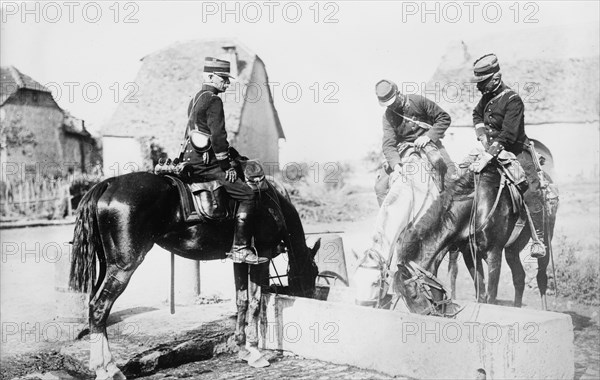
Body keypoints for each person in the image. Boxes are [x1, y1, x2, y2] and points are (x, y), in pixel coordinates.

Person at [180, 57, 267, 265]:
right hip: (207, 164)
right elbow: (218, 137)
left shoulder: (195, 99)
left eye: (227, 80)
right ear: (210, 76)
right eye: (223, 79)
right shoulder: (214, 99)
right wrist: (226, 166)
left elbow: (192, 132)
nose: (227, 84)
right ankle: (240, 248)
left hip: (191, 159)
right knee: (247, 194)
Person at [469, 53, 546, 258]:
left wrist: (489, 154)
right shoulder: (486, 98)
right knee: (463, 172)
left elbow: (509, 135)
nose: (478, 87)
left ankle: (538, 238)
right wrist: (482, 136)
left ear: (495, 79)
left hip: (515, 150)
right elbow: (476, 114)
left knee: (530, 188)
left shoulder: (513, 100)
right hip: (491, 148)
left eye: (482, 82)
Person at [374, 79, 455, 206]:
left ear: (398, 94)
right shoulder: (387, 116)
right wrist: (396, 165)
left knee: (451, 176)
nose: (391, 106)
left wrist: (428, 136)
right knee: (380, 187)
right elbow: (388, 144)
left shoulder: (418, 101)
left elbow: (444, 118)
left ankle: (450, 215)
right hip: (404, 148)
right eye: (387, 105)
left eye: (393, 102)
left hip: (430, 143)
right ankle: (388, 221)